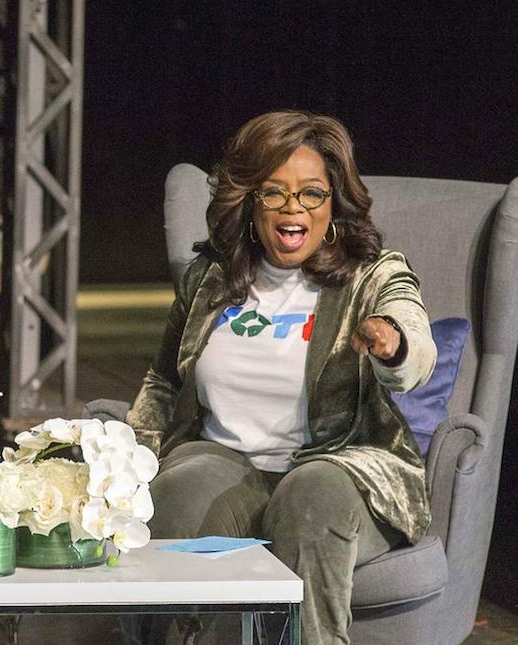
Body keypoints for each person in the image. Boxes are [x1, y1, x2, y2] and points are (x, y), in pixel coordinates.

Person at [126, 111, 436, 645]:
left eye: (312, 193)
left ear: (333, 203)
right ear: (250, 203)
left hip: (342, 466)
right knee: (174, 495)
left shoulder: (373, 274)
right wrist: (124, 461)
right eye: (275, 192)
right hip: (227, 457)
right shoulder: (211, 279)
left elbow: (414, 344)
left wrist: (392, 341)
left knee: (309, 498)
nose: (294, 208)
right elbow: (164, 380)